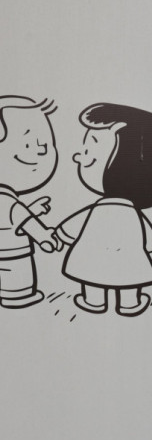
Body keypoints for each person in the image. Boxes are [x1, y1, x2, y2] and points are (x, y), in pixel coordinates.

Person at [56, 103, 152, 316]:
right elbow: (150, 240)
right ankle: (130, 303)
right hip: (129, 262)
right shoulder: (134, 215)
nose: (78, 157)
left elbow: (71, 228)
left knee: (92, 276)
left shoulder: (96, 210)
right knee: (130, 278)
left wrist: (59, 237)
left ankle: (93, 301)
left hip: (93, 260)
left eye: (88, 151)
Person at [0, 95, 60, 308]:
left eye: (45, 143)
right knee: (16, 276)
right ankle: (18, 296)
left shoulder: (8, 198)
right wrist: (43, 236)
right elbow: (21, 219)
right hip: (11, 250)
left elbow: (14, 216)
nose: (42, 150)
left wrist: (31, 209)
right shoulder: (6, 200)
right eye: (28, 144)